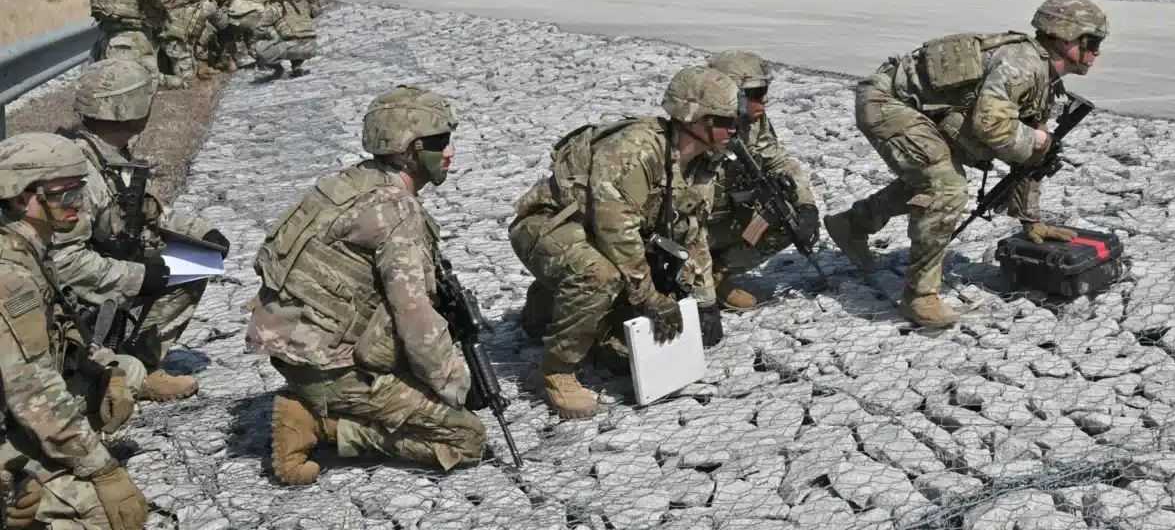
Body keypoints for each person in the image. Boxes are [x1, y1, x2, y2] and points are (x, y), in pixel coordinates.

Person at [246, 86, 487, 485]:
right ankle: (319, 424)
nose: (450, 152)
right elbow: (415, 316)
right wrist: (455, 383)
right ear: (408, 151)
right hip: (328, 369)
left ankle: (317, 399)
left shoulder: (348, 184)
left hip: (292, 345)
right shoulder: (396, 212)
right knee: (466, 438)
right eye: (440, 142)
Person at [823, 0, 1109, 329]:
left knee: (934, 177)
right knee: (947, 184)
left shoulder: (1043, 77)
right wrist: (1037, 139)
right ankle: (920, 297)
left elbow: (1030, 157)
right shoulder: (1023, 65)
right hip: (886, 102)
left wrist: (1031, 221)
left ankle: (852, 225)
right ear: (1065, 36)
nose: (1096, 53)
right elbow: (991, 126)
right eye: (1091, 42)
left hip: (925, 110)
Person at [509, 66, 740, 420]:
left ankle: (544, 311)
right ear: (695, 117)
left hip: (599, 235)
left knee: (622, 353)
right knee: (599, 276)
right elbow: (617, 234)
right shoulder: (633, 151)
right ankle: (556, 371)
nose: (734, 129)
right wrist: (650, 299)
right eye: (725, 120)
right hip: (549, 226)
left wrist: (705, 301)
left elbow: (693, 233)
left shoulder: (701, 162)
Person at [50, 60, 228, 402]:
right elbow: (64, 265)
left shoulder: (109, 155)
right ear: (128, 109)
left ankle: (140, 366)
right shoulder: (81, 172)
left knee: (195, 263)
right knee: (161, 273)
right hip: (67, 294)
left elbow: (146, 211)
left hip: (104, 263)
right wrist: (138, 276)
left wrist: (202, 233)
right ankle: (105, 371)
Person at [0, 133, 150, 530]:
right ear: (21, 199)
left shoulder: (27, 243)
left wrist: (104, 368)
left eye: (79, 192)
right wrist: (103, 470)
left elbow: (60, 326)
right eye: (65, 195)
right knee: (108, 514)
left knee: (127, 371)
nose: (77, 206)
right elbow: (32, 390)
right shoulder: (9, 276)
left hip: (15, 405)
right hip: (12, 415)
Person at [704, 50, 819, 310]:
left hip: (725, 216)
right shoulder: (698, 128)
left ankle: (716, 275)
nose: (764, 100)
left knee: (786, 218)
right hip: (690, 228)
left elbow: (779, 161)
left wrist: (806, 204)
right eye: (755, 94)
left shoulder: (754, 123)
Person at [158, 0, 219, 88]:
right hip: (176, 45)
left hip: (166, 40)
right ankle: (161, 80)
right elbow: (222, 23)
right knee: (188, 81)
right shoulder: (207, 6)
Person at [252, 0, 318, 79]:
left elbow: (259, 30)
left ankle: (280, 72)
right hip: (312, 46)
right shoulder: (299, 4)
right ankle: (296, 66)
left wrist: (267, 37)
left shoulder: (273, 8)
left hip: (295, 48)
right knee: (294, 36)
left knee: (256, 48)